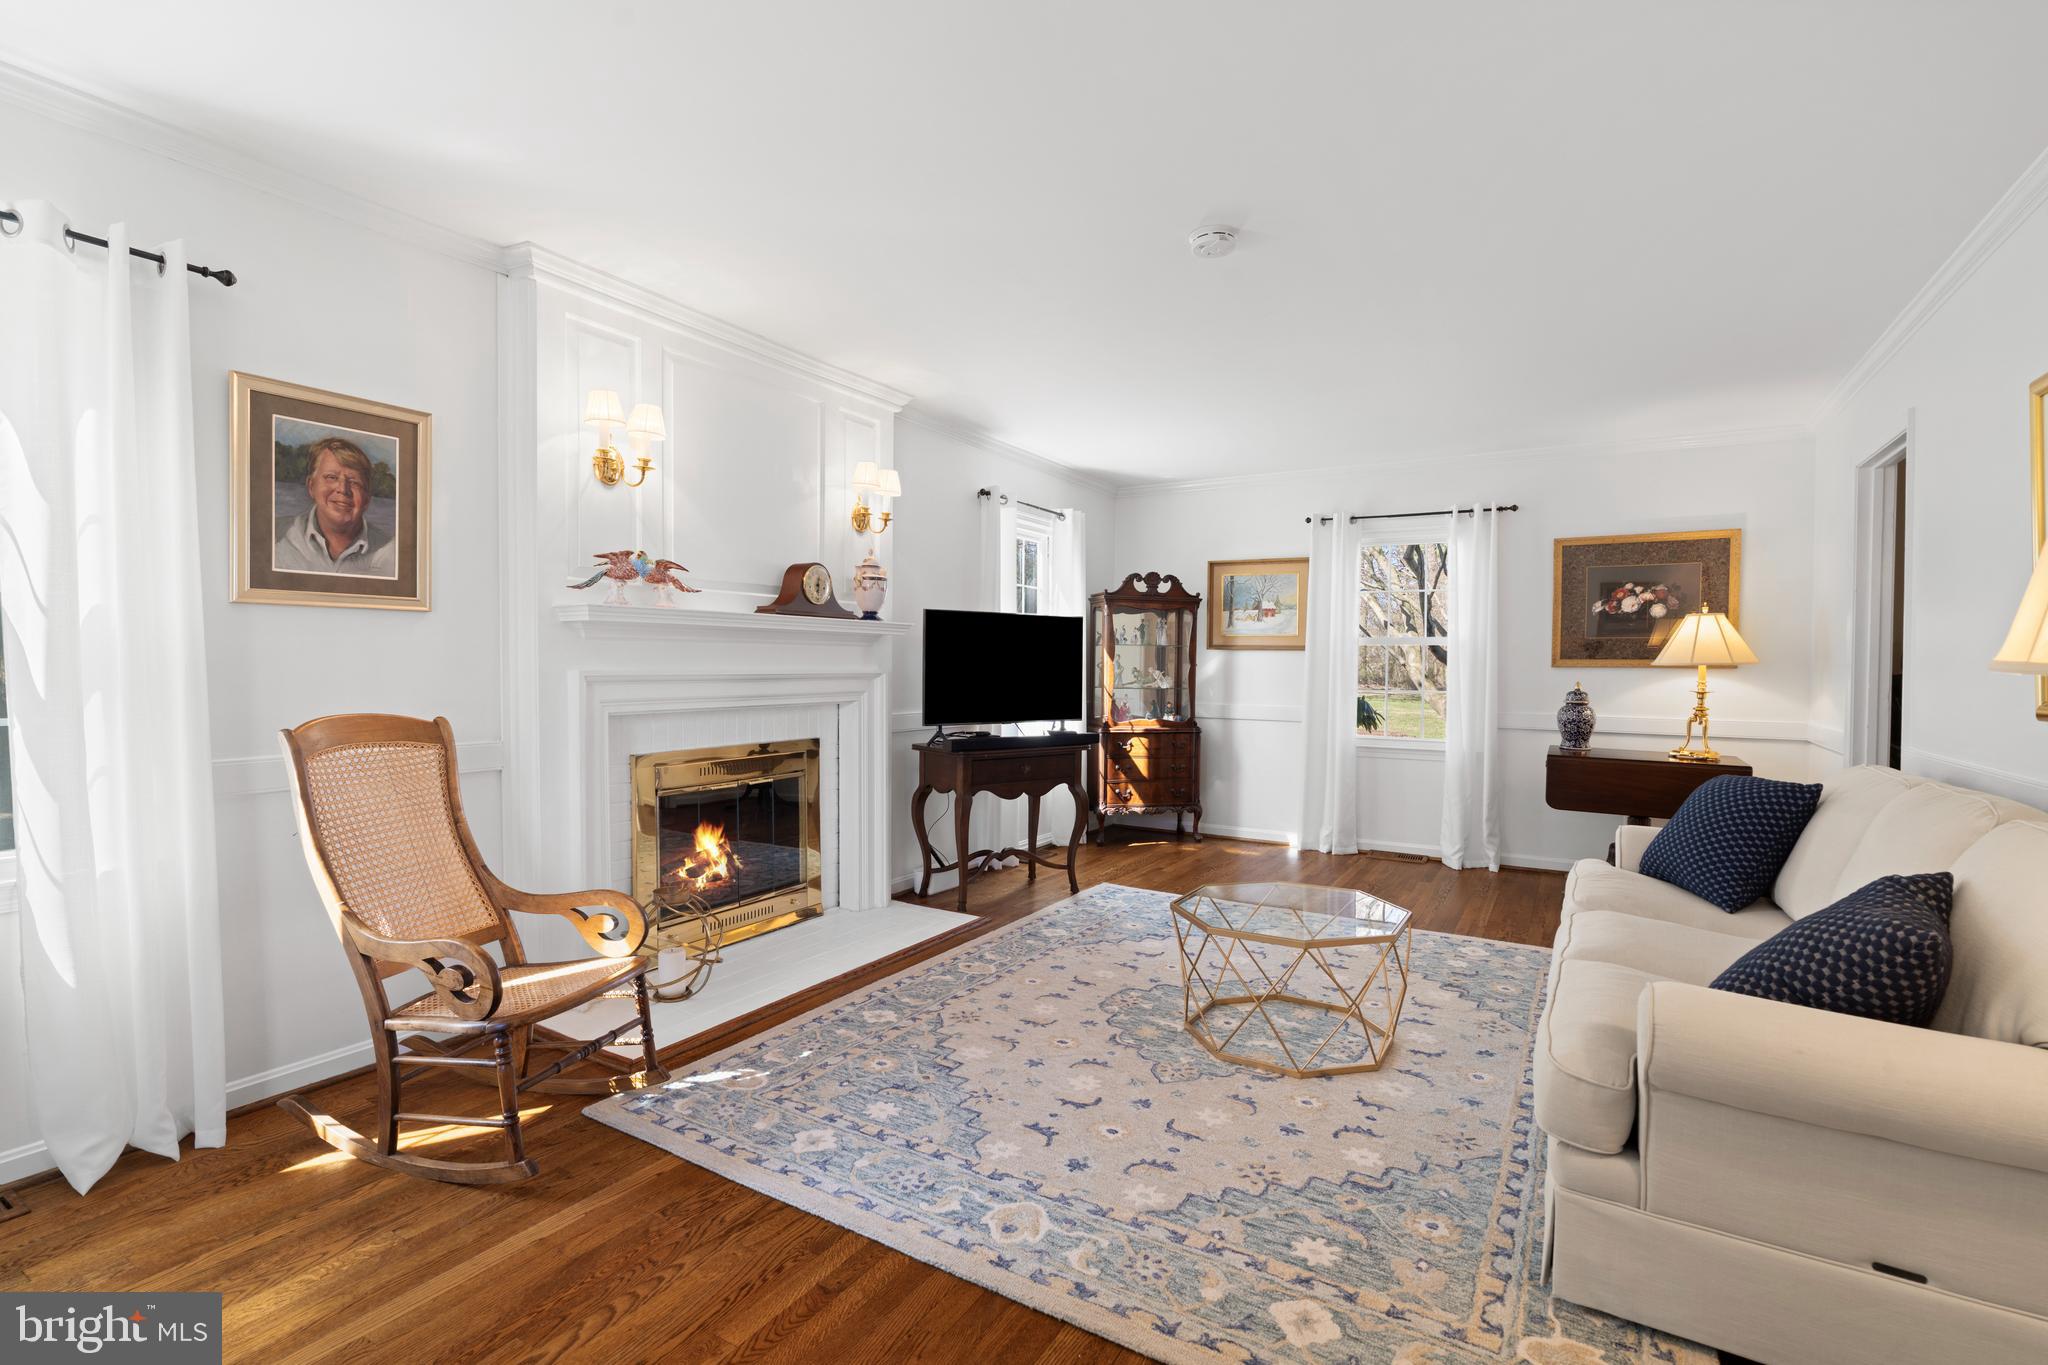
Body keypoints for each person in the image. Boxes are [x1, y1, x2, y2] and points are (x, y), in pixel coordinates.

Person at [272, 436, 396, 576]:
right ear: (311, 486)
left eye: (354, 482)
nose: (343, 489)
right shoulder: (275, 535)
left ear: (367, 498)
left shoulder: (391, 552)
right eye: (332, 477)